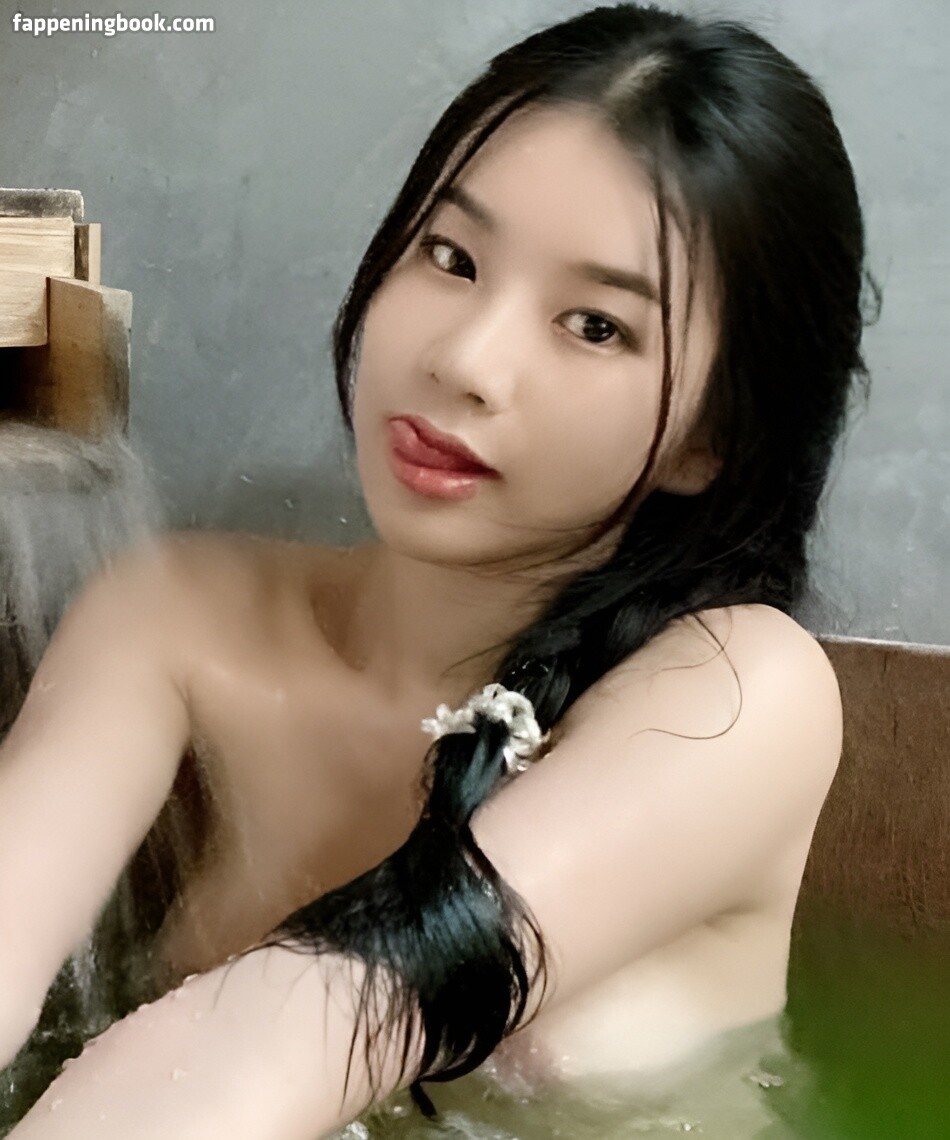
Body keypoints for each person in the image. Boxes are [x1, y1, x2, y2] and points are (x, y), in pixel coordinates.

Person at [0, 2, 875, 1136]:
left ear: (714, 437)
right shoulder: (176, 614)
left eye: (595, 326)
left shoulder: (740, 696)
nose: (464, 359)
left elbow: (290, 1036)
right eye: (451, 257)